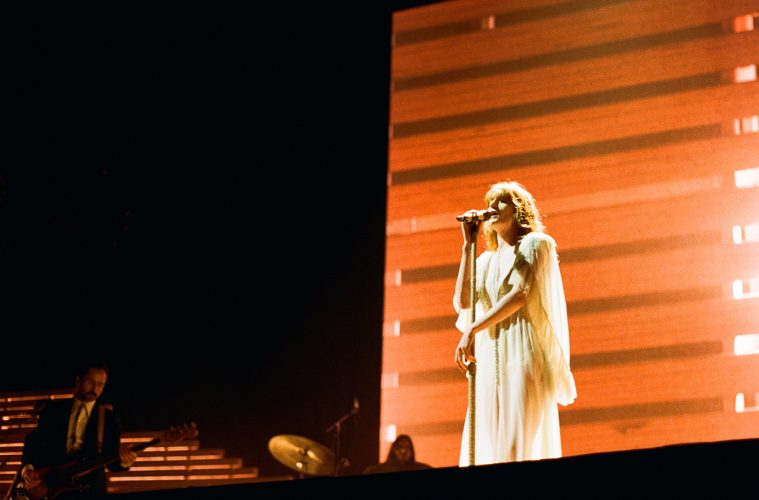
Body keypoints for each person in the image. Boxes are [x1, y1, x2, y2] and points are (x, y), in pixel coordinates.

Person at [453, 180, 576, 466]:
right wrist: (468, 246)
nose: (492, 207)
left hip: (522, 354)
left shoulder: (536, 244)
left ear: (518, 209)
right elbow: (463, 301)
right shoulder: (485, 260)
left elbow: (521, 293)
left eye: (501, 201)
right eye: (490, 202)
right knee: (487, 447)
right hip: (488, 359)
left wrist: (473, 329)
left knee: (515, 446)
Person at [14, 362, 137, 499]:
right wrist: (28, 471)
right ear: (78, 381)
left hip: (92, 491)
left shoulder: (109, 418)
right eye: (90, 382)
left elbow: (111, 462)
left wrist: (125, 461)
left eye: (100, 384)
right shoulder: (53, 410)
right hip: (54, 490)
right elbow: (33, 444)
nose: (95, 389)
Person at [362, 434, 432, 474]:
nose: (403, 451)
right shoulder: (375, 470)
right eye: (400, 447)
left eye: (407, 447)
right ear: (393, 450)